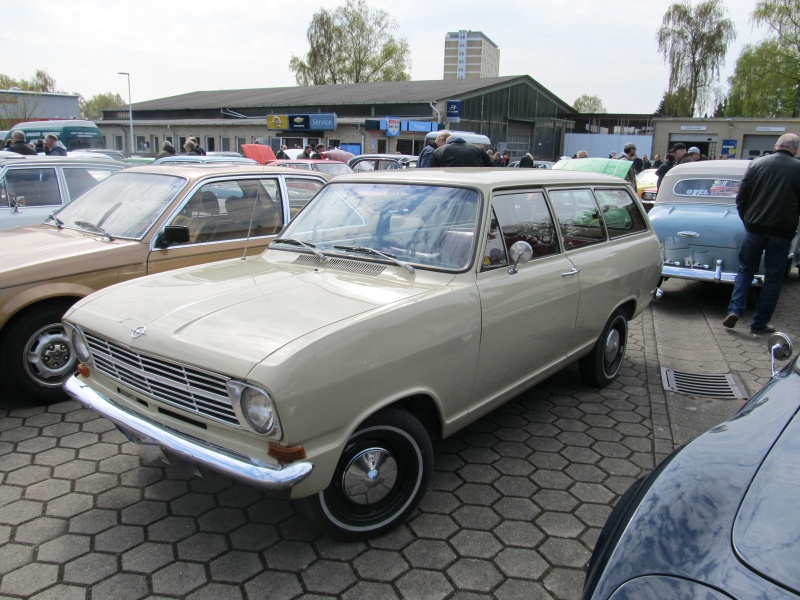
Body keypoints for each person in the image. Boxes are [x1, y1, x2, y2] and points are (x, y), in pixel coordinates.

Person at [722, 133, 800, 334]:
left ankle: (735, 310)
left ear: (776, 146)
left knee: (745, 270)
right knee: (774, 277)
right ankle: (759, 323)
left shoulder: (756, 164)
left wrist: (747, 220)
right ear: (795, 149)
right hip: (782, 232)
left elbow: (741, 197)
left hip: (754, 228)